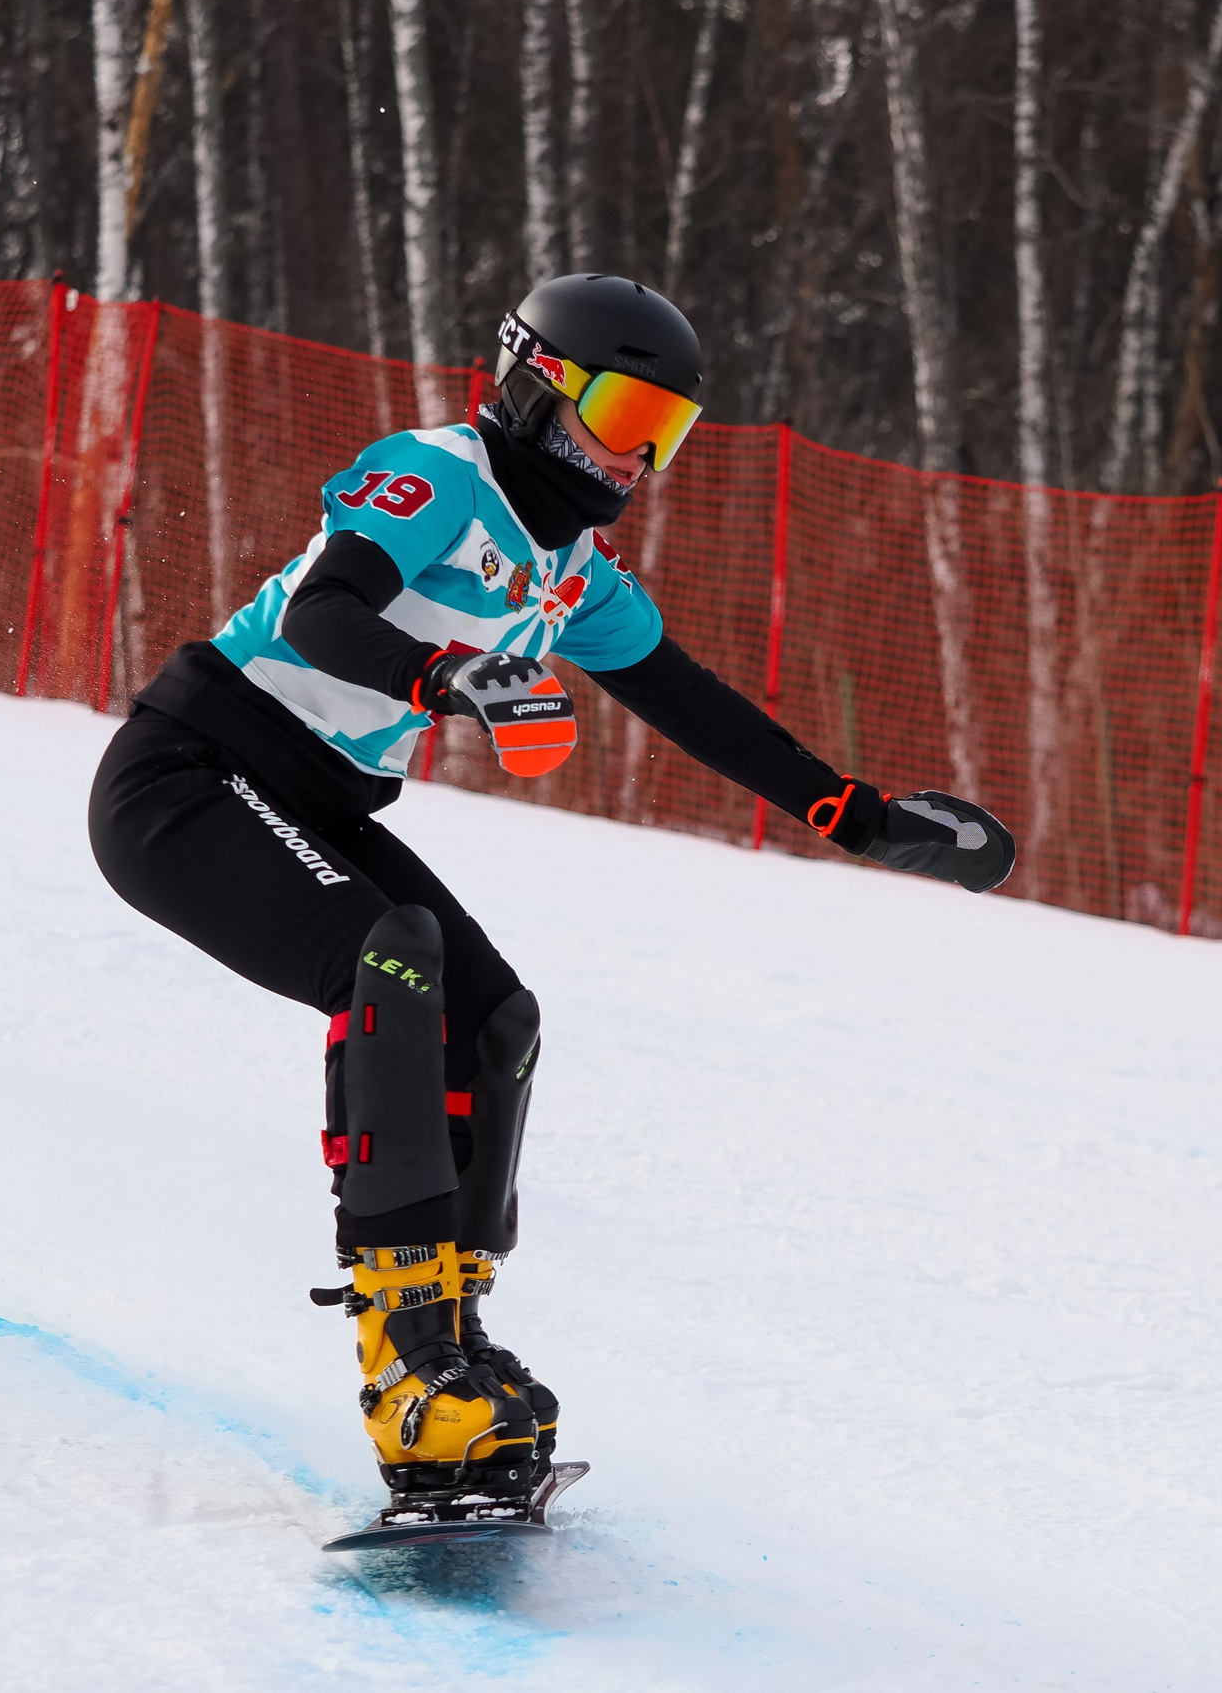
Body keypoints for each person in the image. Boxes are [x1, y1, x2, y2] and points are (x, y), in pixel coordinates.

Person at [87, 274, 1013, 1521]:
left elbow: (686, 698)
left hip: (313, 803)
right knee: (389, 953)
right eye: (622, 415)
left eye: (664, 436)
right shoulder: (437, 471)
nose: (634, 460)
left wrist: (848, 811)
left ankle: (454, 1344)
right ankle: (405, 1359)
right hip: (188, 777)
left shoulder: (573, 572)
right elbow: (321, 613)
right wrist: (446, 680)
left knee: (492, 1019)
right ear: (537, 383)